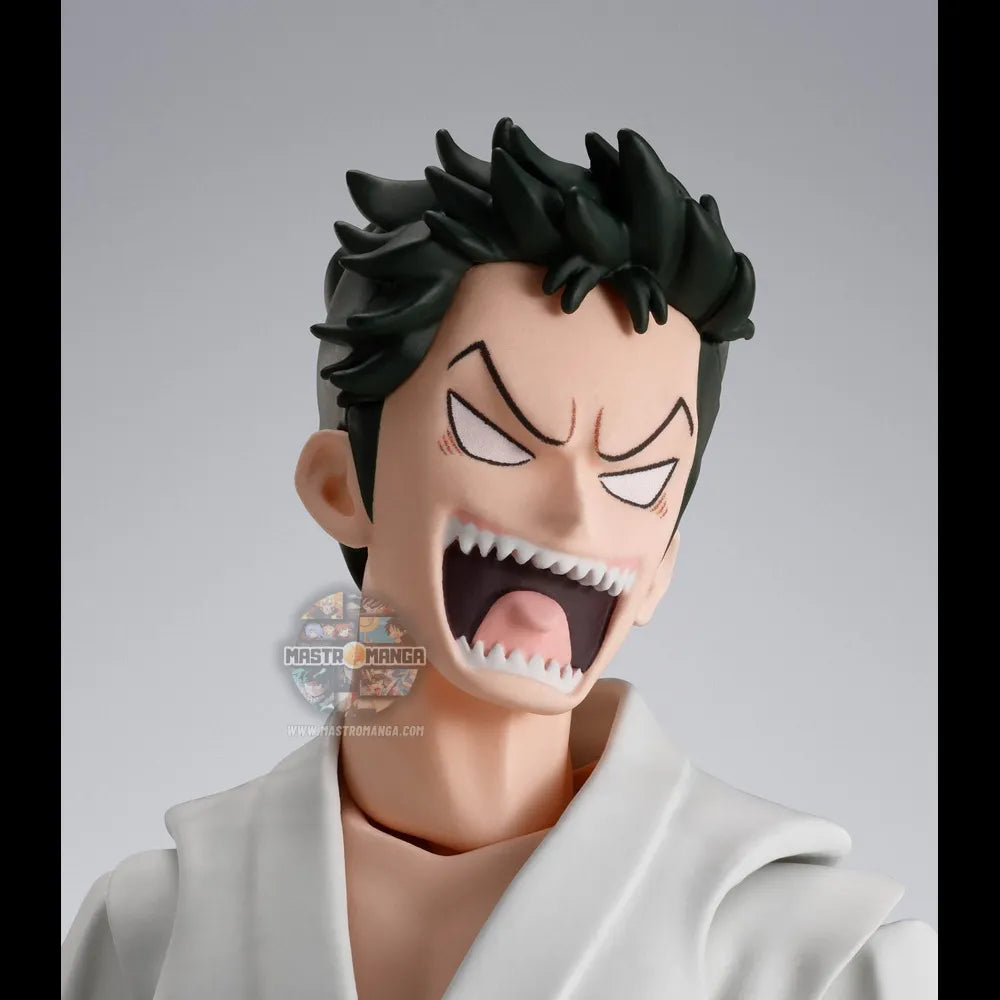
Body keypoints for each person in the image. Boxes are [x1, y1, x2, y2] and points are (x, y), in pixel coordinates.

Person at [61, 119, 936, 1000]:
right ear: (340, 486)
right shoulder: (150, 935)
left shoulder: (815, 961)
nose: (575, 510)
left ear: (662, 567)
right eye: (493, 435)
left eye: (638, 478)